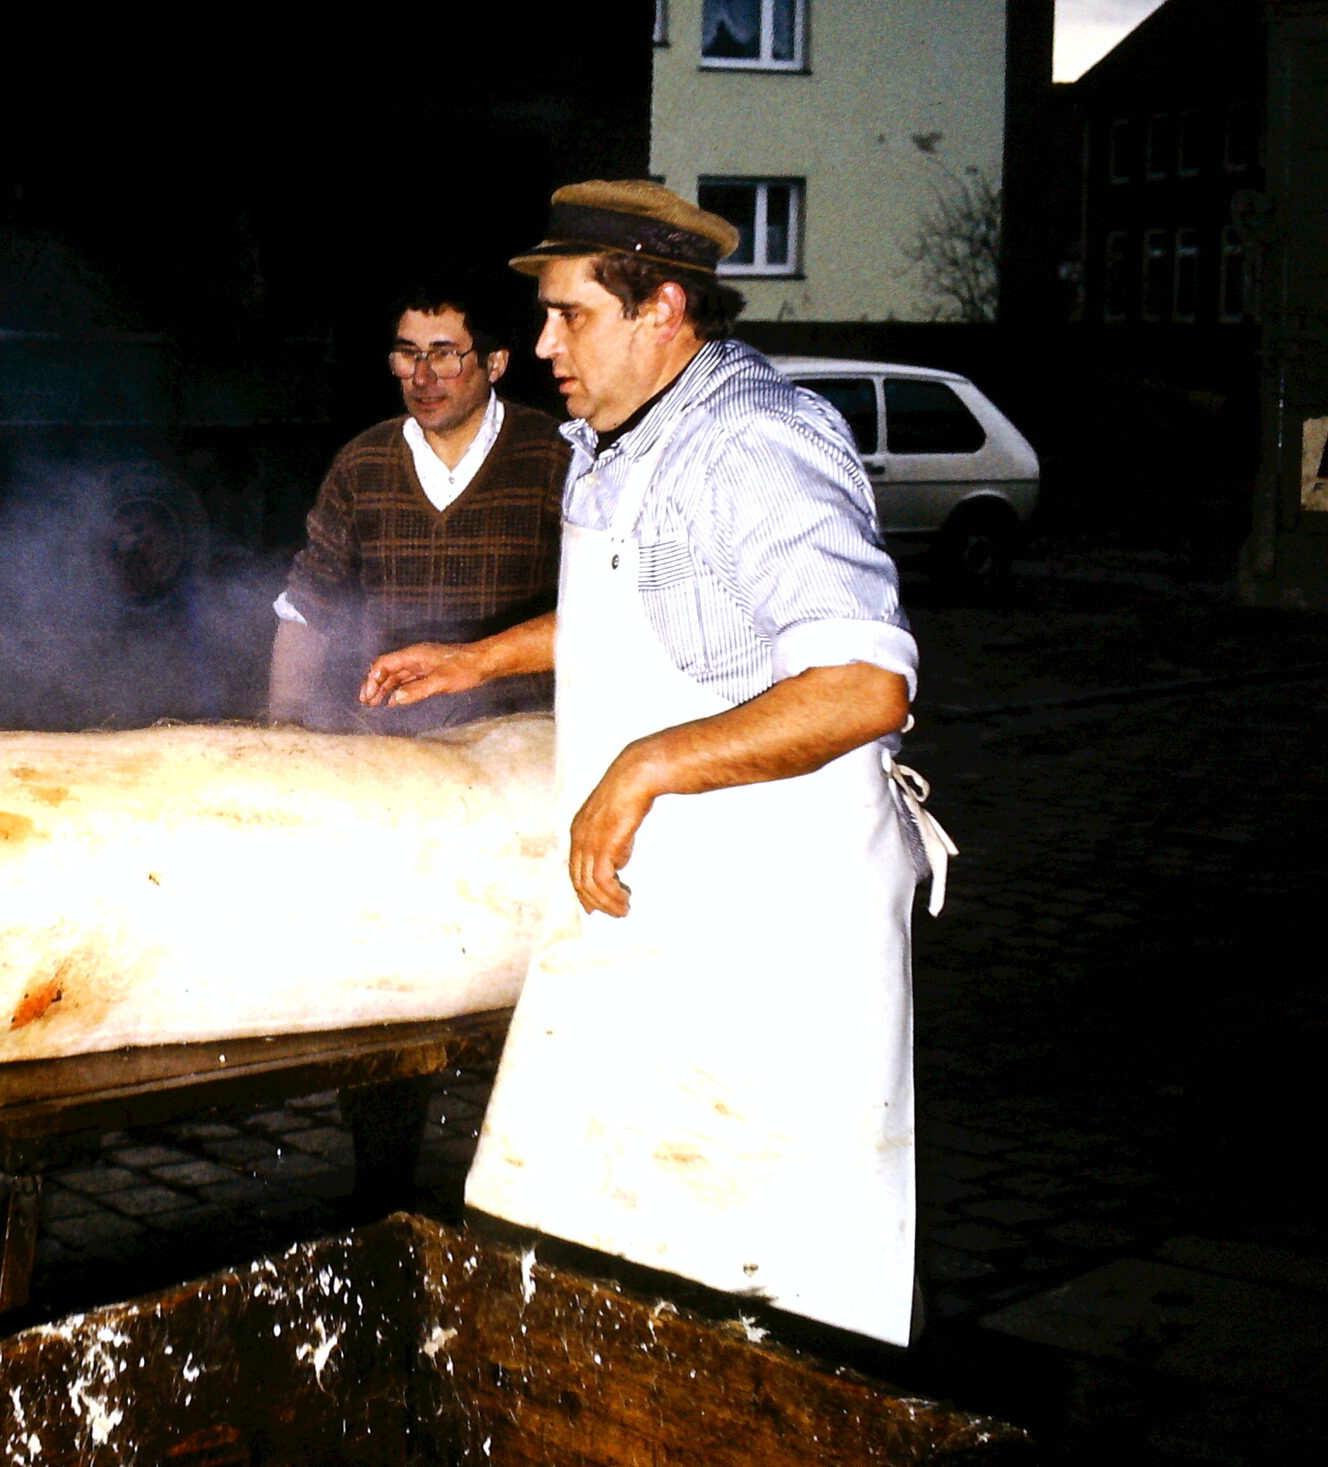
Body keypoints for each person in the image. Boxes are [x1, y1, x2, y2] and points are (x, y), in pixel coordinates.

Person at [362, 181, 953, 1346]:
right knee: (574, 1218)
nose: (539, 346)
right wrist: (478, 658)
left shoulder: (756, 443)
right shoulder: (622, 435)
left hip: (775, 928)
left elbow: (861, 685)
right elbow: (648, 608)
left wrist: (636, 769)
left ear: (662, 308)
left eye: (568, 315)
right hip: (654, 903)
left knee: (783, 1284)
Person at [268, 285, 572, 732]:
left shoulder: (555, 456)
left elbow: (601, 615)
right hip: (392, 741)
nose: (422, 378)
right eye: (409, 355)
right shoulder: (362, 463)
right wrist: (284, 729)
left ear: (495, 363)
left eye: (445, 355)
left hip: (522, 742)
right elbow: (308, 609)